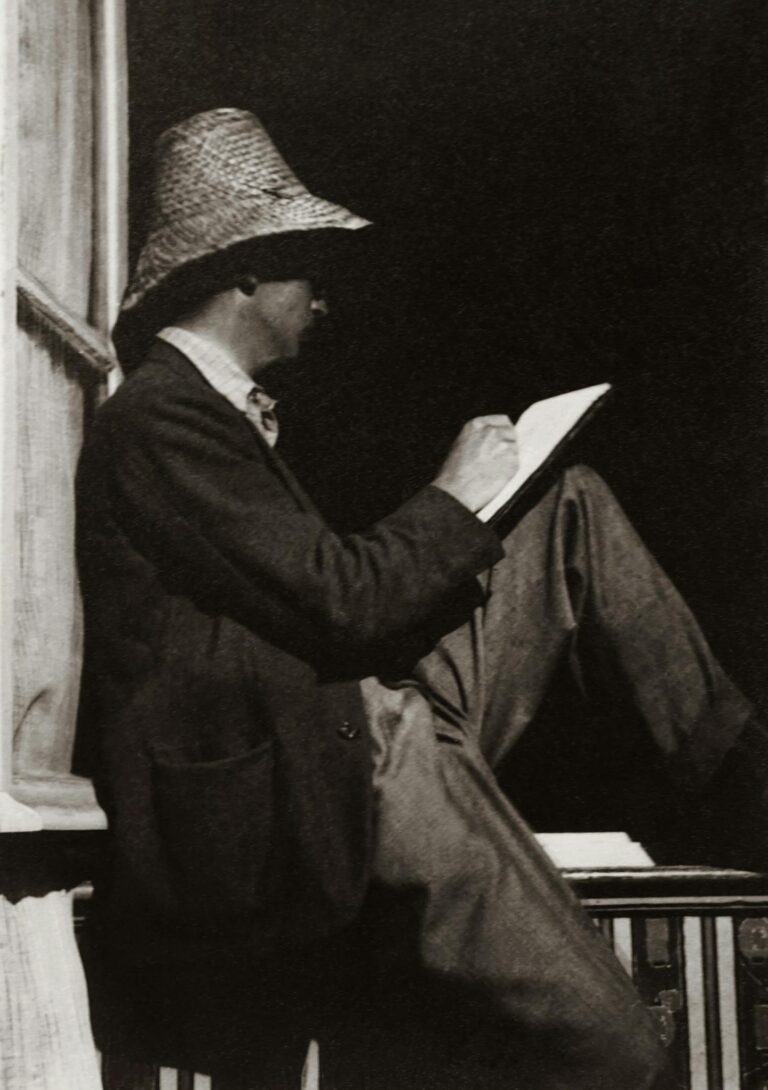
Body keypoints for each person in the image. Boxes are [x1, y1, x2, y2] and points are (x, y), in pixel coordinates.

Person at [75, 108, 765, 1090]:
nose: (322, 302)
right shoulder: (162, 418)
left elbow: (323, 605)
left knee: (570, 504)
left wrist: (484, 502)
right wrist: (454, 492)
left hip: (358, 716)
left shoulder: (200, 414)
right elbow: (344, 601)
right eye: (309, 271)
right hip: (345, 770)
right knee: (618, 1051)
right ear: (244, 273)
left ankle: (739, 782)